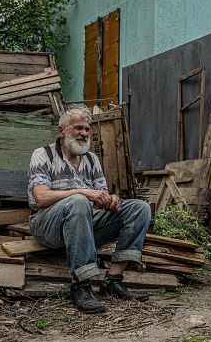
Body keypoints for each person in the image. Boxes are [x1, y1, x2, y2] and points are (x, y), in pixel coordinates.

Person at [27, 107, 151, 313]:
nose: (84, 133)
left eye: (87, 129)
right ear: (62, 131)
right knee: (78, 201)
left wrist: (110, 200)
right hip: (47, 226)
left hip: (83, 225)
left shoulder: (91, 159)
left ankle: (113, 280)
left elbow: (99, 196)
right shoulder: (43, 154)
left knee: (140, 208)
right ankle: (81, 285)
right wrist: (83, 193)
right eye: (78, 128)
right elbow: (40, 198)